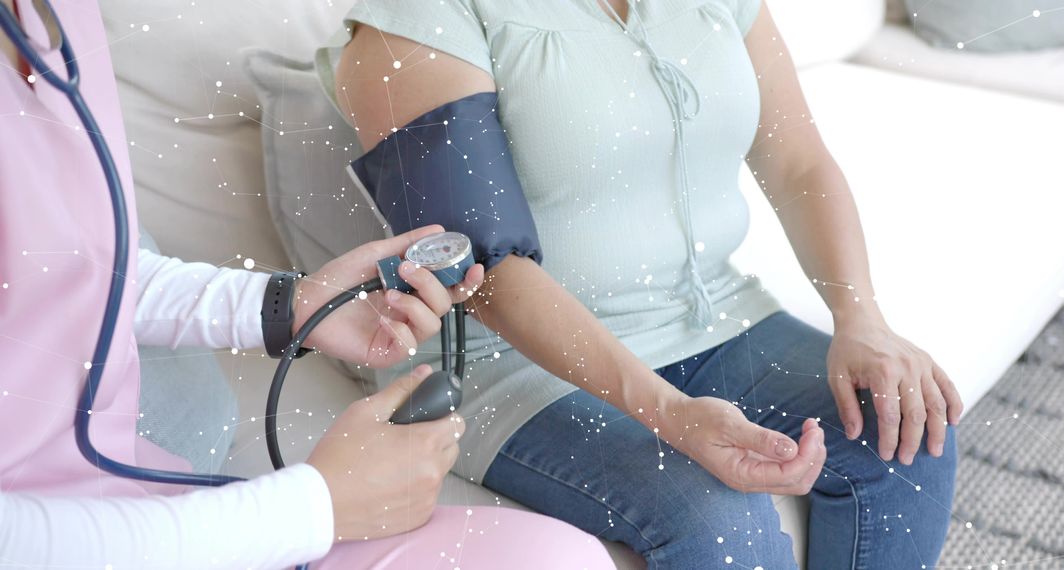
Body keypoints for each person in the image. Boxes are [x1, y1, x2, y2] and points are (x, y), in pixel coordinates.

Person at [322, 0, 964, 568]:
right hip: (514, 365)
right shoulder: (416, 18)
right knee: (719, 519)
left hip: (711, 313)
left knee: (904, 429)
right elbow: (482, 271)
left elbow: (797, 158)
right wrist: (672, 414)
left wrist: (861, 318)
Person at [0, 0, 615, 568]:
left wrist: (292, 304)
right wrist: (311, 508)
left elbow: (76, 266)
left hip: (149, 503)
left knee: (559, 558)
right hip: (108, 540)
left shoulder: (59, 16)